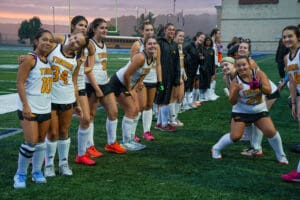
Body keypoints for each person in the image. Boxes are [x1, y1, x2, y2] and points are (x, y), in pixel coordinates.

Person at [211, 56, 288, 165]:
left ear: (249, 64)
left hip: (259, 110)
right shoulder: (235, 81)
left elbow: (269, 91)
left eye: (244, 65)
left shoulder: (258, 74)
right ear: (235, 67)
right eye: (238, 66)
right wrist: (236, 90)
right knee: (235, 136)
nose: (241, 68)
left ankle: (281, 156)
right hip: (241, 111)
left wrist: (259, 85)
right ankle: (216, 148)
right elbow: (232, 101)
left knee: (271, 132)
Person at [13, 29, 54, 189]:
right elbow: (19, 83)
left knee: (40, 143)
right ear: (36, 41)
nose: (48, 43)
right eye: (44, 39)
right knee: (30, 142)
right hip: (30, 108)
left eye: (50, 40)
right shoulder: (30, 59)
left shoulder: (48, 59)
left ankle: (37, 171)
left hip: (45, 107)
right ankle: (20, 174)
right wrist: (25, 105)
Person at [44, 32, 87, 177]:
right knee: (53, 133)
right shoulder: (54, 47)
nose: (73, 42)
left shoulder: (76, 60)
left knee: (64, 132)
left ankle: (63, 164)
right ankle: (49, 165)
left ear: (78, 49)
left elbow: (74, 82)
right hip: (50, 98)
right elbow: (39, 50)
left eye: (77, 43)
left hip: (67, 98)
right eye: (74, 38)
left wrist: (77, 104)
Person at [58, 16, 98, 166]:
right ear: (73, 26)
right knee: (57, 126)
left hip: (79, 86)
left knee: (86, 119)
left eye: (85, 25)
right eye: (80, 24)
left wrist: (84, 68)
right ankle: (43, 154)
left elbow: (89, 65)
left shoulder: (88, 45)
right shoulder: (63, 39)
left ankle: (81, 154)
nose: (83, 27)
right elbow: (43, 45)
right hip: (61, 87)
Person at [85, 18, 126, 154]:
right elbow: (88, 68)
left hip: (104, 83)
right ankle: (89, 146)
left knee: (113, 112)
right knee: (90, 115)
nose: (105, 30)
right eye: (101, 28)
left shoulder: (103, 43)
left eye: (106, 28)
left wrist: (105, 79)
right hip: (91, 84)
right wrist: (96, 88)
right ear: (94, 29)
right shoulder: (89, 44)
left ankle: (111, 143)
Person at [109, 36, 157, 150]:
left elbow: (142, 76)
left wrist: (134, 89)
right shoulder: (140, 57)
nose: (152, 46)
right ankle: (126, 142)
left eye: (154, 44)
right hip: (119, 83)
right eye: (149, 44)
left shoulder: (152, 58)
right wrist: (129, 90)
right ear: (144, 46)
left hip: (129, 85)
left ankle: (130, 139)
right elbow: (126, 74)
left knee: (136, 110)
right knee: (131, 110)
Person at [237, 39, 280, 156]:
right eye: (240, 47)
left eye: (245, 48)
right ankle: (253, 145)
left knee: (258, 120)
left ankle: (257, 149)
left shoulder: (251, 63)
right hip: (258, 92)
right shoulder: (241, 62)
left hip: (267, 92)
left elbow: (255, 85)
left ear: (249, 51)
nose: (242, 49)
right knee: (253, 119)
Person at [130, 21, 162, 141]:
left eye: (151, 30)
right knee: (139, 107)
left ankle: (146, 132)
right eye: (147, 30)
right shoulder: (137, 45)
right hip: (141, 80)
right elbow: (132, 64)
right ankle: (132, 134)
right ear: (142, 31)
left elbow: (158, 64)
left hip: (153, 80)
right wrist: (138, 81)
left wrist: (160, 82)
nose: (149, 32)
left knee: (149, 106)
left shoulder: (156, 46)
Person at [281, 25, 300, 182]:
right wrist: (293, 102)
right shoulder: (287, 57)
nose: (286, 39)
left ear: (298, 37)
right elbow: (293, 82)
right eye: (284, 37)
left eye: (290, 36)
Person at [155, 23, 180, 131]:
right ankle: (163, 123)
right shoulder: (159, 42)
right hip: (161, 77)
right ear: (165, 30)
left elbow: (177, 62)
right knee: (161, 98)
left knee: (166, 99)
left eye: (173, 30)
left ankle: (161, 123)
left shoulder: (174, 45)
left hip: (170, 77)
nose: (172, 31)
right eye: (169, 29)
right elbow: (157, 62)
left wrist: (177, 76)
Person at [182, 32, 205, 110]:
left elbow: (201, 61)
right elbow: (183, 55)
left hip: (194, 69)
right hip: (187, 69)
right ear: (197, 37)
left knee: (190, 86)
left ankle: (189, 102)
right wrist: (189, 59)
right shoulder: (189, 45)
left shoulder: (200, 48)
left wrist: (202, 59)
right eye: (201, 37)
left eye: (203, 38)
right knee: (185, 85)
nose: (202, 39)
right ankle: (183, 103)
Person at [169, 29, 186, 126]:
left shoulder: (180, 47)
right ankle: (171, 119)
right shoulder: (172, 47)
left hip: (181, 74)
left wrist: (184, 73)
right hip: (174, 75)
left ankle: (175, 117)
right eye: (180, 36)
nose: (182, 38)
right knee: (173, 97)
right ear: (175, 36)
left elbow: (181, 62)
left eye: (183, 36)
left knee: (180, 97)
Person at [200, 36, 215, 101]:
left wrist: (213, 71)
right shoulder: (202, 49)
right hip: (202, 68)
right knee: (202, 81)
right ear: (205, 41)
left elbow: (213, 61)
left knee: (207, 82)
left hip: (209, 69)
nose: (208, 41)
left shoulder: (212, 50)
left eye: (209, 40)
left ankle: (206, 95)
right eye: (207, 40)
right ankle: (201, 95)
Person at [208, 28, 222, 100]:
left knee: (214, 77)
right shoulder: (210, 41)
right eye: (218, 33)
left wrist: (218, 61)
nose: (220, 35)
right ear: (214, 34)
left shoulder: (215, 42)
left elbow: (217, 53)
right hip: (211, 62)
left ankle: (212, 93)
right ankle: (209, 94)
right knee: (211, 77)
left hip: (215, 62)